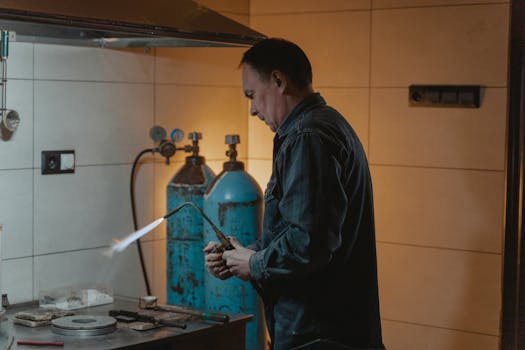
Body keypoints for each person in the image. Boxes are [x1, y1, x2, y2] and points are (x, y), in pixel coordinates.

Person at [204, 38, 385, 350]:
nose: (252, 110)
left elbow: (308, 243)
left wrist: (255, 263)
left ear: (278, 80)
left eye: (252, 96)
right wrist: (243, 255)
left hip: (318, 336)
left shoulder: (308, 136)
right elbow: (299, 229)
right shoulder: (324, 125)